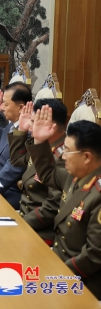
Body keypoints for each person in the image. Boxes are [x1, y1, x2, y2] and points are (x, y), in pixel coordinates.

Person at [25, 108, 101, 298]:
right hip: (59, 260)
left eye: (67, 150)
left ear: (86, 157)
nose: (62, 156)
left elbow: (94, 254)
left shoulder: (98, 194)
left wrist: (57, 273)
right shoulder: (75, 176)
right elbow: (47, 173)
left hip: (82, 280)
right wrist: (40, 142)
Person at [8, 99, 67, 245]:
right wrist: (20, 130)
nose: (30, 127)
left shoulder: (64, 156)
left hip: (42, 229)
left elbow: (52, 206)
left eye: (33, 122)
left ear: (50, 126)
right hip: (25, 216)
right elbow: (17, 160)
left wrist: (21, 223)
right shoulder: (44, 147)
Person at [0, 82, 33, 208]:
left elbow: (14, 168)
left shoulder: (29, 133)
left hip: (11, 192)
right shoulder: (12, 125)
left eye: (6, 104)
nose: (2, 107)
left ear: (21, 107)